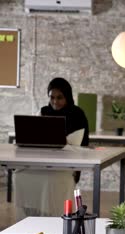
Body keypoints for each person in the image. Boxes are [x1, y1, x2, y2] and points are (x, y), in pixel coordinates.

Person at [14, 77, 89, 220]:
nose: (55, 101)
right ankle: (29, 218)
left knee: (51, 179)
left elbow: (82, 144)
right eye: (52, 97)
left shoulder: (77, 114)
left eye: (60, 97)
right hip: (42, 161)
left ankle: (55, 219)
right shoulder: (44, 111)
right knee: (20, 175)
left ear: (67, 96)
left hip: (65, 164)